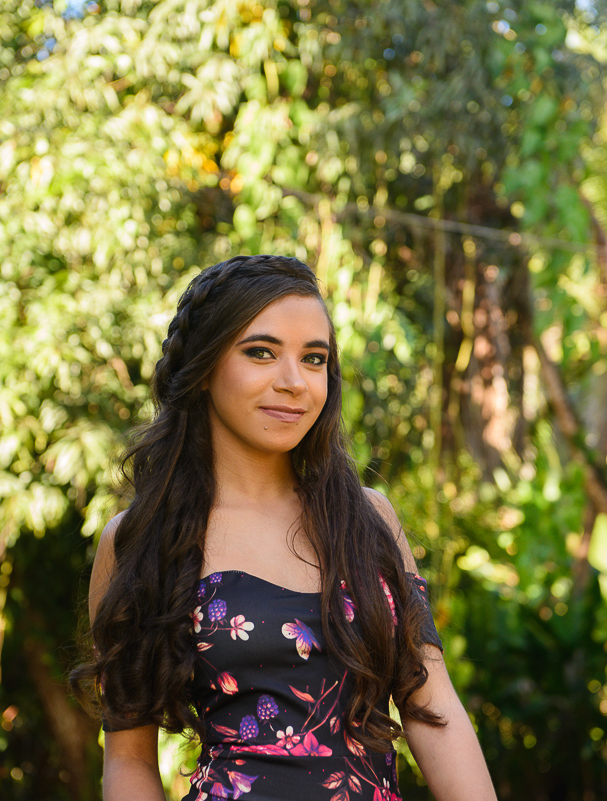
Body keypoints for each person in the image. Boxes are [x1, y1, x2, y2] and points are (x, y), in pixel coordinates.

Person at [75, 255, 496, 801]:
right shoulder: (141, 540)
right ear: (204, 370)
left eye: (314, 359)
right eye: (261, 353)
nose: (294, 382)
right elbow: (128, 762)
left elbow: (432, 705)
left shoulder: (367, 519)